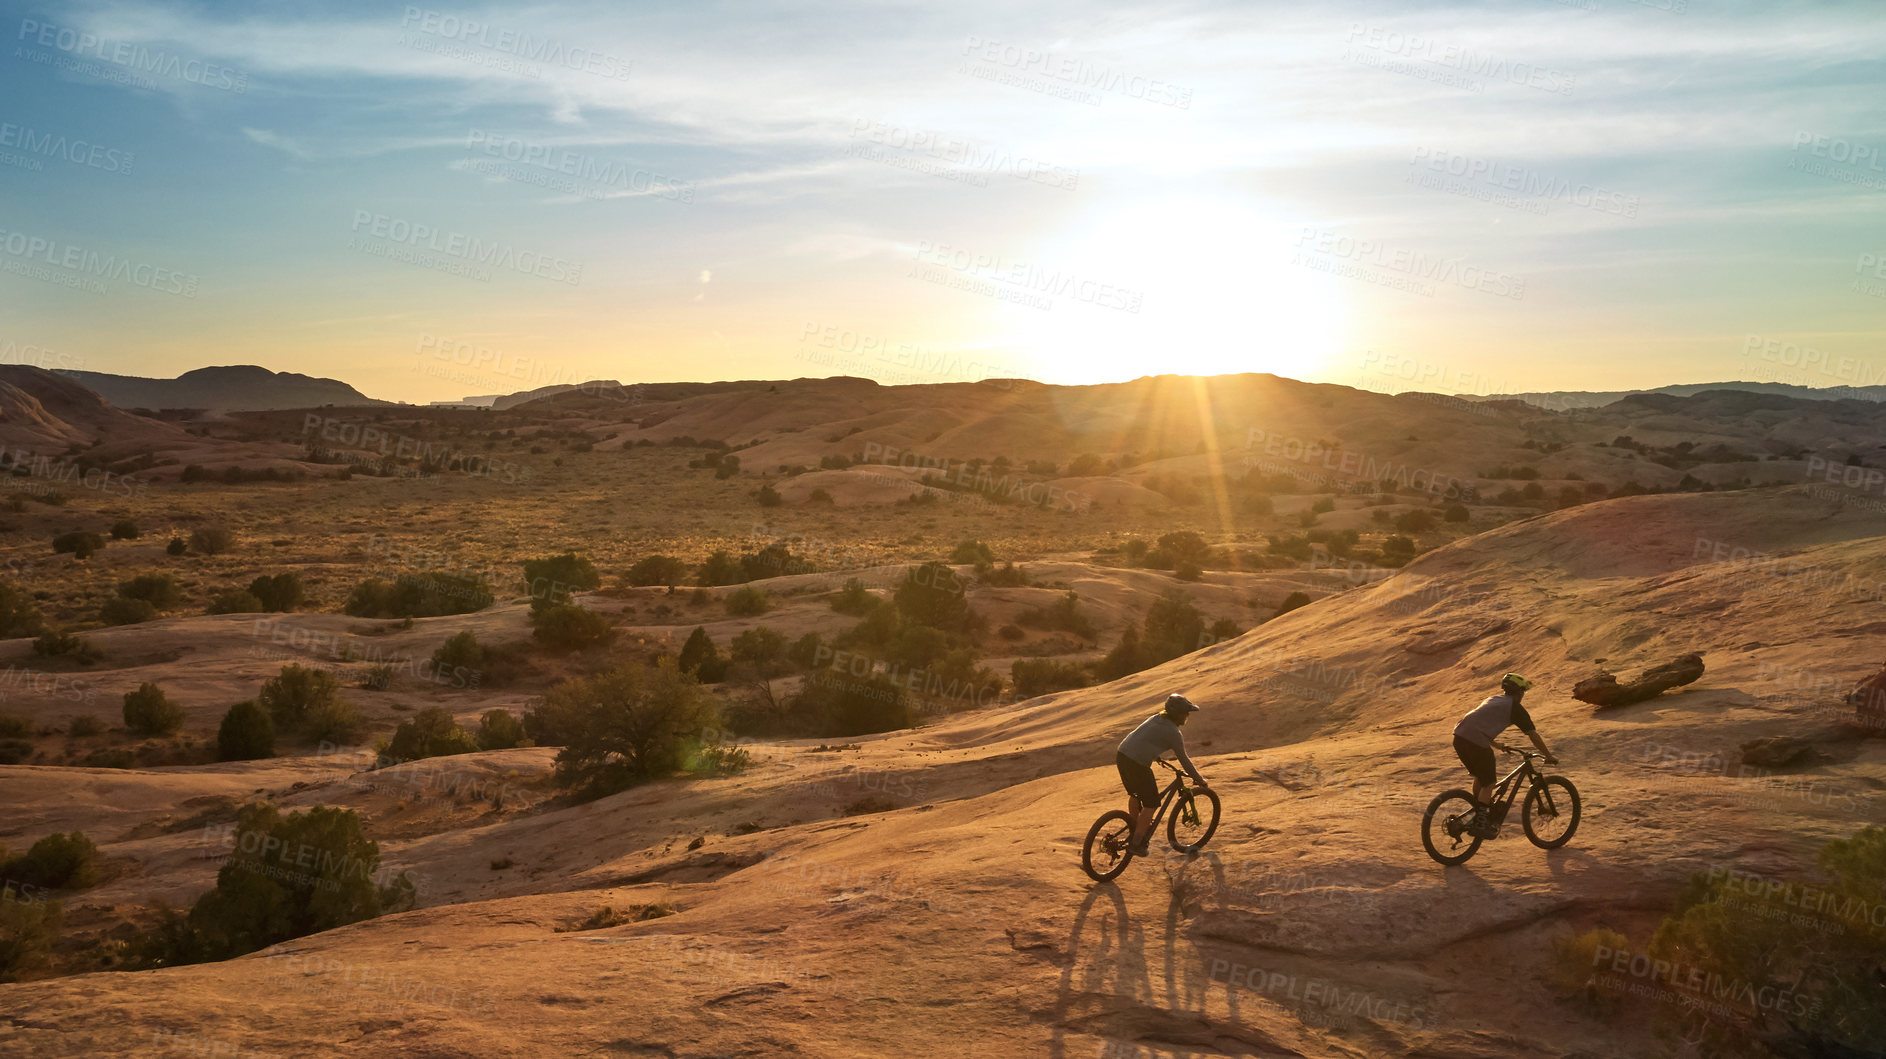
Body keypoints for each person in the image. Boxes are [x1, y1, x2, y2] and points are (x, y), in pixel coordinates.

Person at [1453, 673, 1556, 837]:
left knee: (1481, 776)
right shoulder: (1515, 708)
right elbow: (1533, 735)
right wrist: (1548, 756)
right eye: (1523, 691)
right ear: (1520, 692)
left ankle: (1479, 808)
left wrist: (1497, 745)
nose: (1523, 695)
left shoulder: (1493, 699)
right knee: (1490, 783)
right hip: (1475, 742)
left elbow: (1477, 723)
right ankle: (1480, 823)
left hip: (1459, 737)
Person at [1116, 693, 1210, 855]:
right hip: (1137, 763)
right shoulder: (1174, 733)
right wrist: (1199, 779)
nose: (1187, 715)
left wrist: (1155, 755)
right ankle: (1137, 843)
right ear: (1178, 715)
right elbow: (1184, 760)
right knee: (1151, 804)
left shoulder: (1156, 718)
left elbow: (1144, 737)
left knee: (1135, 794)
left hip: (1122, 755)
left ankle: (1135, 827)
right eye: (1185, 712)